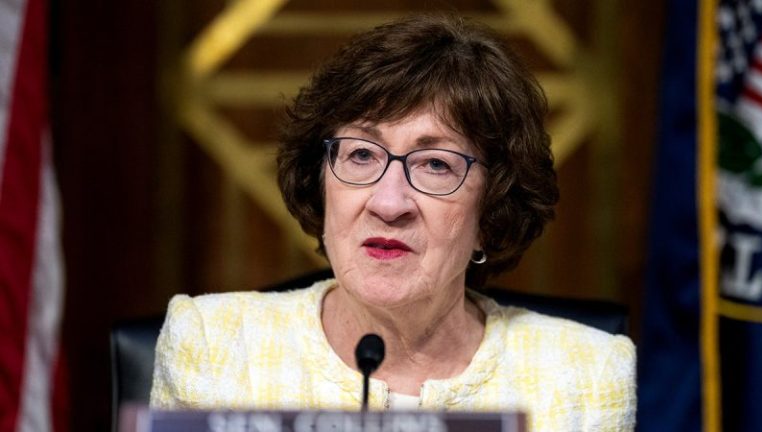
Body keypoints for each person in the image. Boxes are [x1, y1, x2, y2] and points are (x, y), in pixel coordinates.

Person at [150, 14, 636, 431]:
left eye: (436, 164)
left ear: (491, 213)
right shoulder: (213, 345)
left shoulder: (584, 376)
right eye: (362, 155)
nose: (388, 203)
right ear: (321, 182)